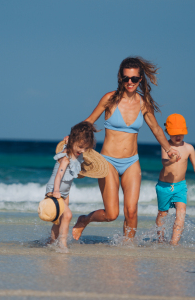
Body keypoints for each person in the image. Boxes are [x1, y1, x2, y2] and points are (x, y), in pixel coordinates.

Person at [72, 56, 180, 241]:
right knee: (111, 214)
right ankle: (84, 219)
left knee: (131, 211)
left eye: (134, 79)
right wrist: (72, 136)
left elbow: (155, 128)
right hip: (108, 162)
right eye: (126, 78)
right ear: (120, 78)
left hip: (131, 162)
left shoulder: (143, 103)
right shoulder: (109, 99)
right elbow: (89, 121)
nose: (130, 82)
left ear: (140, 80)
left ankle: (128, 251)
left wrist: (168, 148)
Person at [42, 121, 100, 252]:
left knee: (58, 221)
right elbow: (58, 176)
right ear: (73, 141)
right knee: (67, 215)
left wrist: (69, 139)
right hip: (54, 190)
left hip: (65, 193)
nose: (82, 150)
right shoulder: (66, 157)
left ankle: (51, 242)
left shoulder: (77, 153)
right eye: (80, 147)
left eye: (85, 148)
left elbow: (73, 145)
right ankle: (62, 243)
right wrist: (55, 191)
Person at [155, 113, 195, 245]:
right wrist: (171, 160)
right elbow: (164, 163)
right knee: (163, 214)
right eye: (174, 134)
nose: (177, 136)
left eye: (180, 133)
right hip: (164, 186)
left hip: (180, 186)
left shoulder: (189, 148)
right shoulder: (166, 146)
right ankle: (161, 240)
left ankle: (174, 242)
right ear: (167, 132)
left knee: (181, 212)